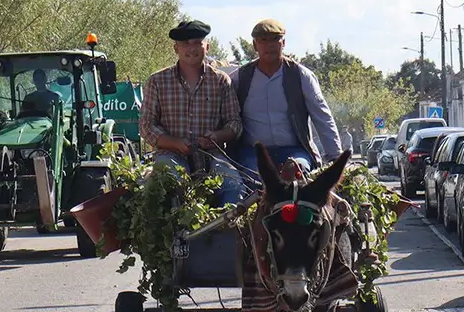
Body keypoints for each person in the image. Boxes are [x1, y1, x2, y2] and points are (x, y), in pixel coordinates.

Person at [139, 19, 245, 205]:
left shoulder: (221, 81)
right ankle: (177, 232)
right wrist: (175, 143)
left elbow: (234, 123)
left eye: (197, 42)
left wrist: (216, 137)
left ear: (207, 46)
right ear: (176, 49)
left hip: (212, 156)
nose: (191, 48)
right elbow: (147, 126)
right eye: (185, 44)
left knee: (233, 184)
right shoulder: (157, 81)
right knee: (170, 182)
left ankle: (229, 232)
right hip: (170, 155)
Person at [230, 18, 344, 175]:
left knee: (297, 173)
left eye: (275, 40)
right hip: (252, 154)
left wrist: (336, 159)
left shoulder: (301, 76)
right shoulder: (239, 79)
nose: (269, 45)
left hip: (295, 151)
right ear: (255, 45)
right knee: (255, 178)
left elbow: (322, 117)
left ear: (283, 43)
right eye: (263, 40)